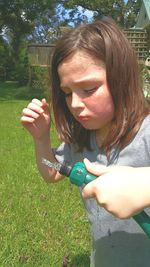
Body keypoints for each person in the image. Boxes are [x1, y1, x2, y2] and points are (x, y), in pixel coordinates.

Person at [21, 17, 150, 267]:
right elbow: (52, 171)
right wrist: (40, 138)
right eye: (68, 93)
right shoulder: (82, 140)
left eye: (89, 89)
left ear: (121, 79)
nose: (75, 104)